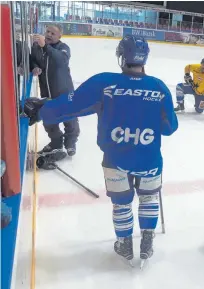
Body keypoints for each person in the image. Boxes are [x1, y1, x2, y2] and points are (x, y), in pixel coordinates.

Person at [24, 36, 178, 268]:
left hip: (116, 159)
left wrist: (42, 110)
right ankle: (147, 240)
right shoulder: (158, 87)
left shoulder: (105, 84)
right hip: (150, 159)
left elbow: (70, 105)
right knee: (148, 198)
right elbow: (170, 128)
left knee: (122, 203)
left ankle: (125, 244)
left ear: (121, 57)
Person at [30, 24, 80, 160]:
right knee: (49, 119)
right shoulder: (37, 48)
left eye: (53, 33)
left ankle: (70, 142)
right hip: (47, 93)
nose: (49, 35)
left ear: (59, 36)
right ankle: (56, 142)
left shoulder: (63, 48)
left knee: (70, 118)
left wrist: (46, 46)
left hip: (64, 91)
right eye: (47, 32)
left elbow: (61, 61)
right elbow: (33, 60)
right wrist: (34, 67)